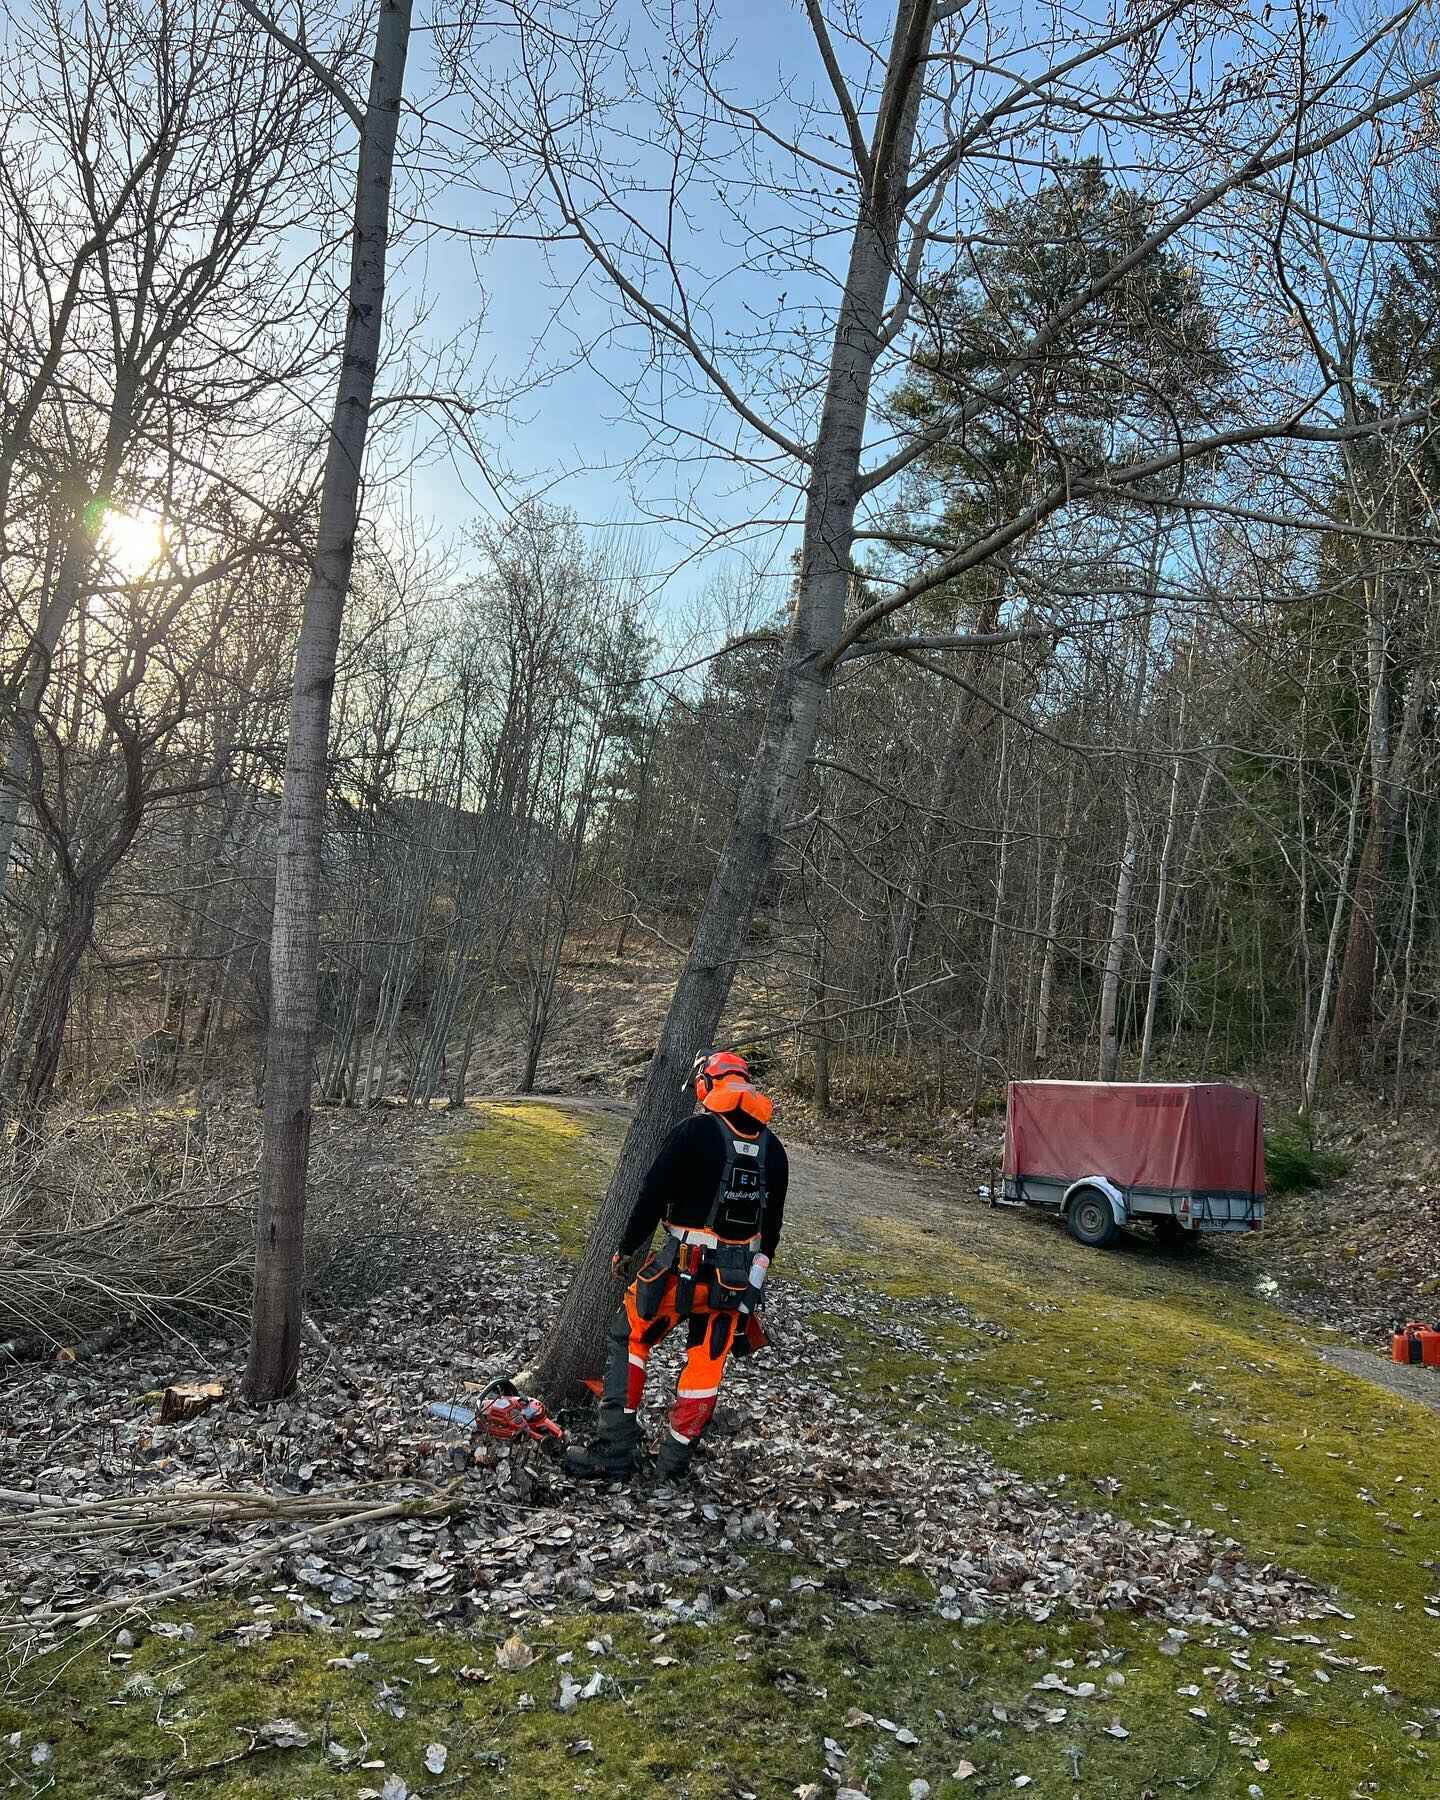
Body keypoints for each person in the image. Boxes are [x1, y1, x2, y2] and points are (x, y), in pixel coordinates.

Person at [565, 1049, 788, 1482]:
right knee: (705, 1367)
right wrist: (756, 1279)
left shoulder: (693, 1132)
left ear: (707, 1085)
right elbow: (772, 1228)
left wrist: (626, 1248)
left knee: (628, 1337)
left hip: (679, 1266)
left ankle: (614, 1450)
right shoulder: (773, 1149)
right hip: (734, 1280)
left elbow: (650, 1195)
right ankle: (673, 1464)